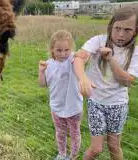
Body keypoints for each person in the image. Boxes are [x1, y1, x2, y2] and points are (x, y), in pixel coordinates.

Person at [73, 7, 138, 160]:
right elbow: (79, 57)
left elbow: (126, 81)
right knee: (96, 148)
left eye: (127, 30)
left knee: (114, 147)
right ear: (111, 26)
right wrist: (83, 78)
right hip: (96, 102)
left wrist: (110, 59)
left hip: (118, 104)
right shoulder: (98, 40)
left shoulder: (135, 53)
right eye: (117, 28)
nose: (121, 34)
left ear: (135, 31)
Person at [39, 30, 83, 160]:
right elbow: (43, 84)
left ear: (71, 49)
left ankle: (73, 156)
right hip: (56, 106)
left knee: (75, 133)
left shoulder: (73, 59)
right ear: (52, 49)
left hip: (73, 106)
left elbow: (85, 57)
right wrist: (41, 72)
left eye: (66, 50)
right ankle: (62, 154)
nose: (63, 54)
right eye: (59, 50)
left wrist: (81, 55)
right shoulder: (49, 64)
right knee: (60, 132)